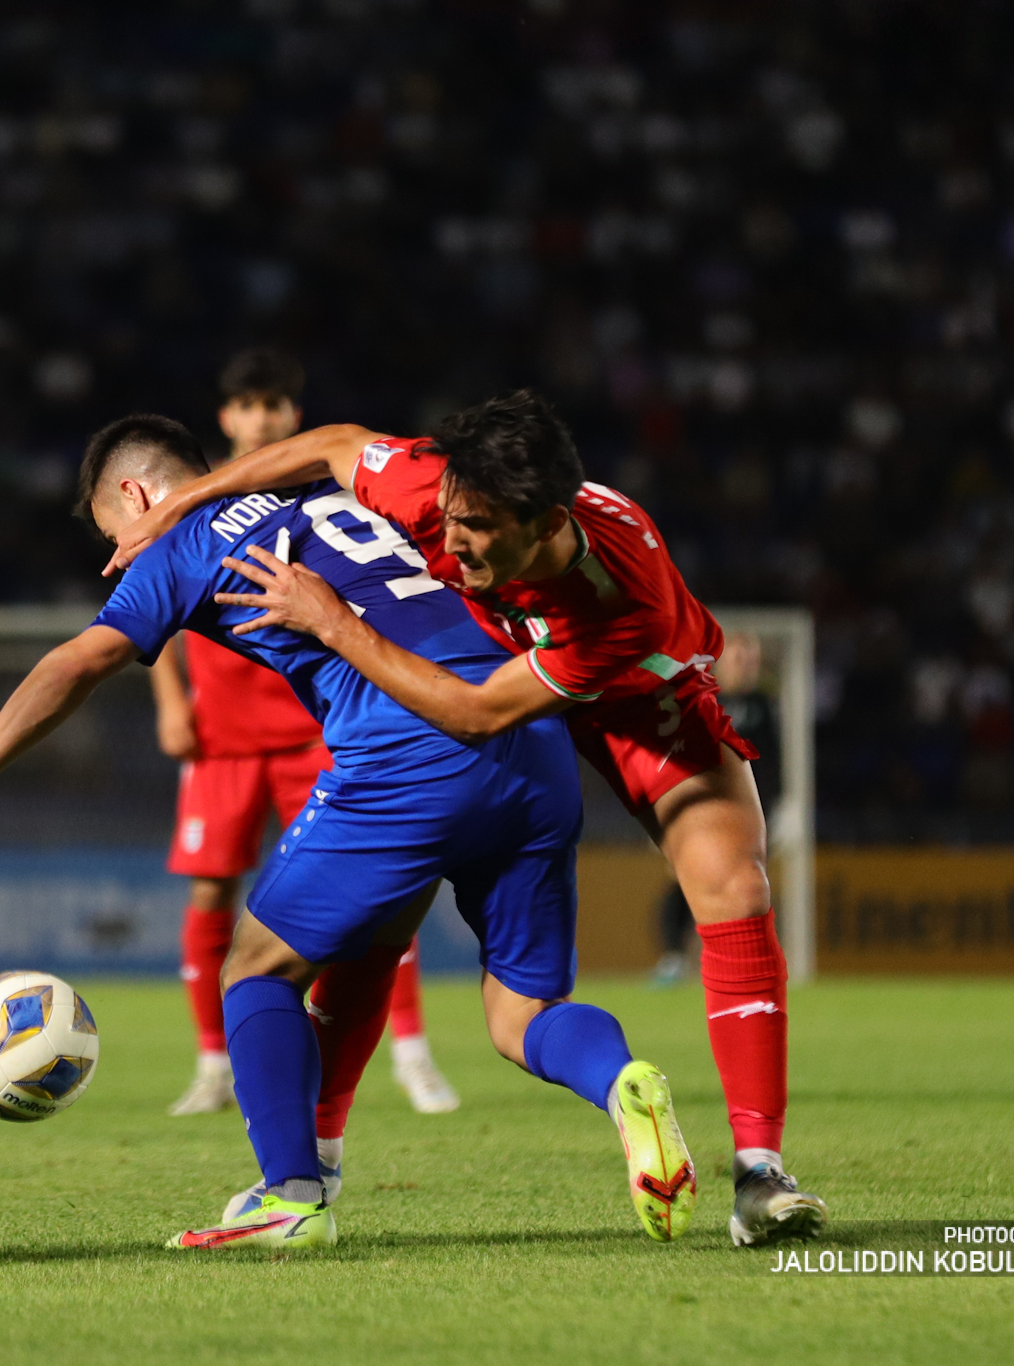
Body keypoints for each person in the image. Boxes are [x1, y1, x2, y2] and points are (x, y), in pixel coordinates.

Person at [0, 415, 695, 1251]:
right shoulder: (329, 486)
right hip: (529, 732)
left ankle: (291, 1197)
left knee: (255, 969)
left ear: (136, 496)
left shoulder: (178, 542)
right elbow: (338, 439)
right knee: (521, 1013)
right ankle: (621, 1081)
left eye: (110, 537)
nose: (116, 557)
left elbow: (73, 664)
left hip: (410, 749)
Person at [105, 390, 826, 1249]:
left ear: (544, 523)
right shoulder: (445, 489)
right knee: (382, 937)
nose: (447, 541)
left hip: (629, 695)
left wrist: (334, 622)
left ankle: (760, 1174)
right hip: (505, 680)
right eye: (447, 517)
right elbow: (337, 444)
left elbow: (479, 713)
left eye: (474, 529)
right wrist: (187, 498)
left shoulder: (619, 606)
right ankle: (320, 1159)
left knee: (734, 888)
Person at [155, 347, 453, 1117]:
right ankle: (212, 1065)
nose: (260, 418)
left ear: (294, 413)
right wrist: (169, 699)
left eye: (274, 405)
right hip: (221, 732)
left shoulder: (326, 483)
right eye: (247, 406)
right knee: (212, 890)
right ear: (226, 417)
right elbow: (146, 607)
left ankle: (414, 1055)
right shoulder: (189, 498)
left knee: (384, 890)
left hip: (315, 725)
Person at [652, 634, 780, 987]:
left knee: (749, 887)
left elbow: (777, 765)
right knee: (683, 883)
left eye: (751, 659)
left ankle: (742, 962)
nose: (746, 666)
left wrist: (779, 809)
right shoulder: (701, 698)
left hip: (752, 813)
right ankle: (673, 958)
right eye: (740, 658)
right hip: (701, 811)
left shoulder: (765, 706)